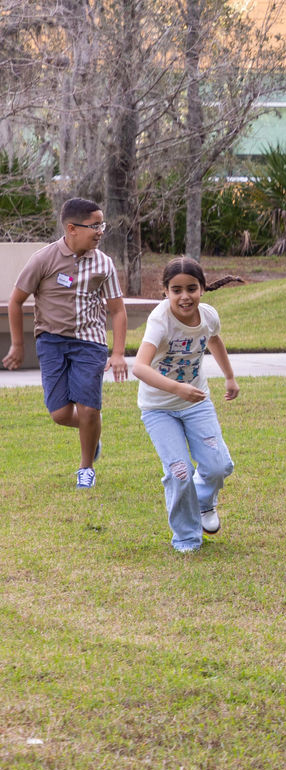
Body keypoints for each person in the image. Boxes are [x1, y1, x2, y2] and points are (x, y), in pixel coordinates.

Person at [3, 198, 128, 489]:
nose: (100, 231)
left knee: (87, 408)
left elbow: (118, 310)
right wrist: (18, 345)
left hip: (90, 342)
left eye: (102, 224)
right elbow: (16, 301)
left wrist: (119, 352)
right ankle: (92, 431)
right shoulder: (44, 259)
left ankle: (86, 468)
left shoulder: (103, 263)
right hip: (51, 341)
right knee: (60, 414)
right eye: (94, 226)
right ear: (72, 228)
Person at [132, 258, 241, 553]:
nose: (184, 296)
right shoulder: (160, 321)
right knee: (179, 472)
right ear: (165, 291)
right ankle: (186, 539)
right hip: (158, 409)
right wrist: (177, 388)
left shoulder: (208, 315)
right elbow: (139, 367)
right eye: (176, 289)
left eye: (191, 288)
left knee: (218, 466)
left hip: (196, 404)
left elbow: (214, 340)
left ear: (203, 289)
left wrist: (229, 377)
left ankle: (204, 503)